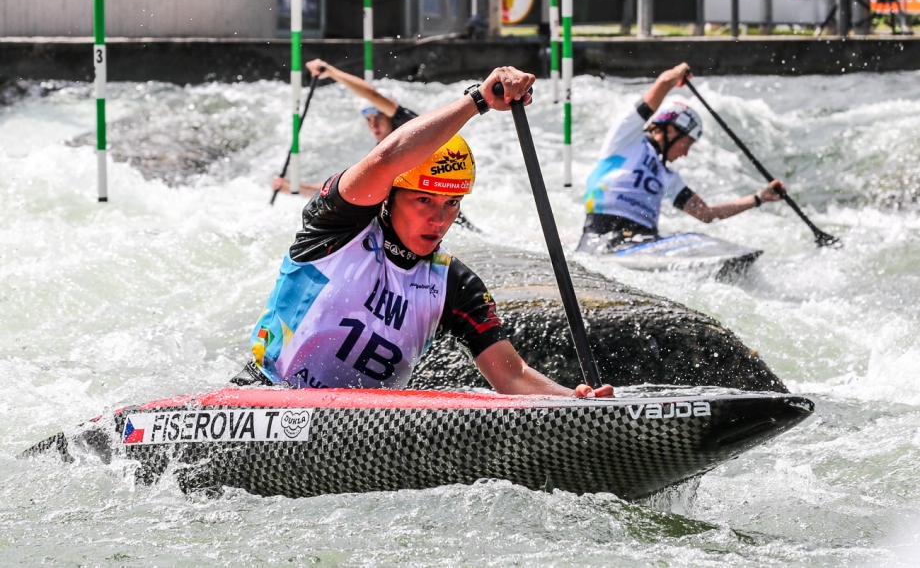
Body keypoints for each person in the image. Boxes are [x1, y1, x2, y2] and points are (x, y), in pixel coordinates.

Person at [234, 66, 613, 399]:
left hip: (357, 436)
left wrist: (575, 399)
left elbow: (512, 377)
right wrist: (478, 100)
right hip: (266, 398)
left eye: (451, 204)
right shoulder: (336, 225)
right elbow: (384, 159)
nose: (439, 219)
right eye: (424, 201)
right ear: (389, 196)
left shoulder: (452, 284)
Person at [577, 62, 787, 254]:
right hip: (600, 236)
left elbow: (706, 214)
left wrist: (759, 198)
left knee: (697, 239)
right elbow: (664, 82)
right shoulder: (626, 139)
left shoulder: (668, 178)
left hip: (642, 240)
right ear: (670, 130)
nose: (685, 153)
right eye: (686, 143)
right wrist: (679, 72)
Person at [271, 59, 420, 197]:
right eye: (368, 119)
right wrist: (295, 188)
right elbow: (345, 187)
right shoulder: (378, 153)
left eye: (379, 117)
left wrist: (331, 72)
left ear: (389, 114)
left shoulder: (406, 122)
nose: (373, 124)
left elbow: (372, 95)